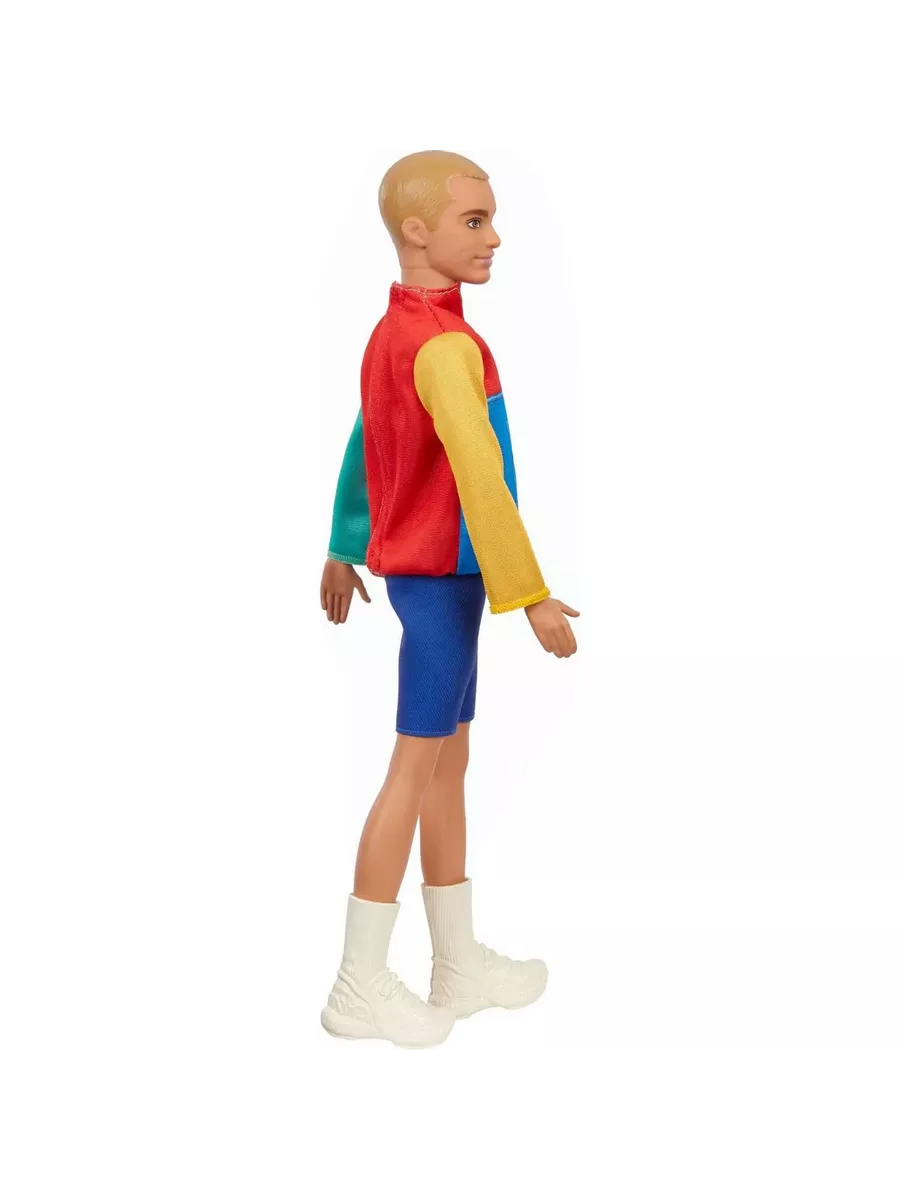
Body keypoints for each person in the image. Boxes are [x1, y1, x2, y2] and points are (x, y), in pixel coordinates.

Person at [319, 149, 579, 1049]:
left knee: (447, 763)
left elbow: (369, 436)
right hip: (443, 581)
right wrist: (529, 593)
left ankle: (456, 964)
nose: (494, 237)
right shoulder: (444, 347)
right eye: (475, 221)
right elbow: (480, 476)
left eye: (491, 218)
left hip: (439, 583)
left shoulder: (397, 331)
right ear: (416, 231)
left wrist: (343, 543)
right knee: (414, 766)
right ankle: (359, 981)